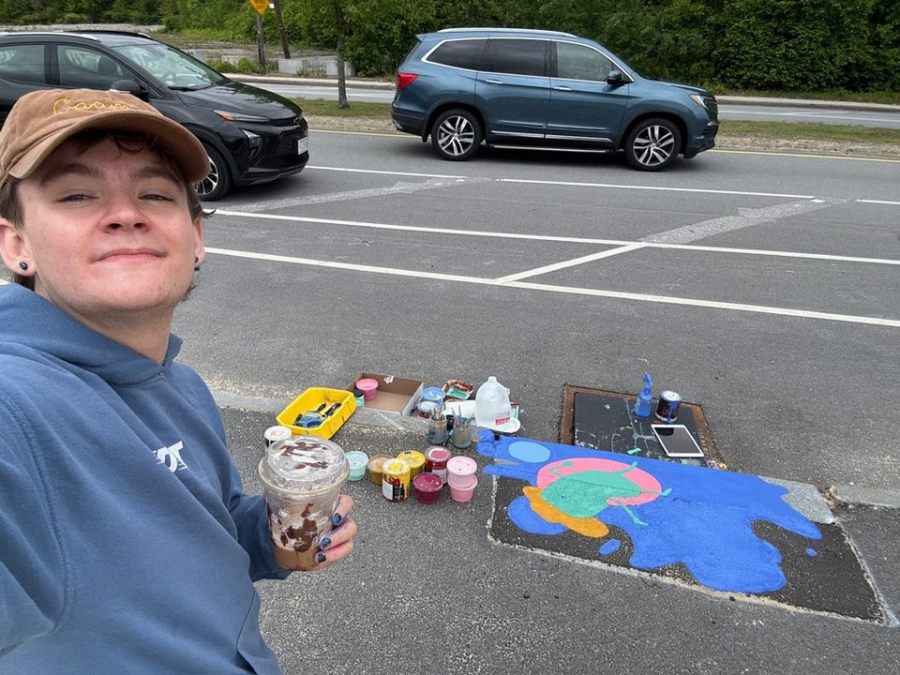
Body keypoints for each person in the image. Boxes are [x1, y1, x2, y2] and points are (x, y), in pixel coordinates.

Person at [0, 88, 357, 673]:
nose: (125, 212)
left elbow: (203, 525)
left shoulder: (181, 385)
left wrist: (270, 539)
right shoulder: (16, 404)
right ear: (17, 244)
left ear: (195, 240)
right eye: (77, 194)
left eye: (155, 193)